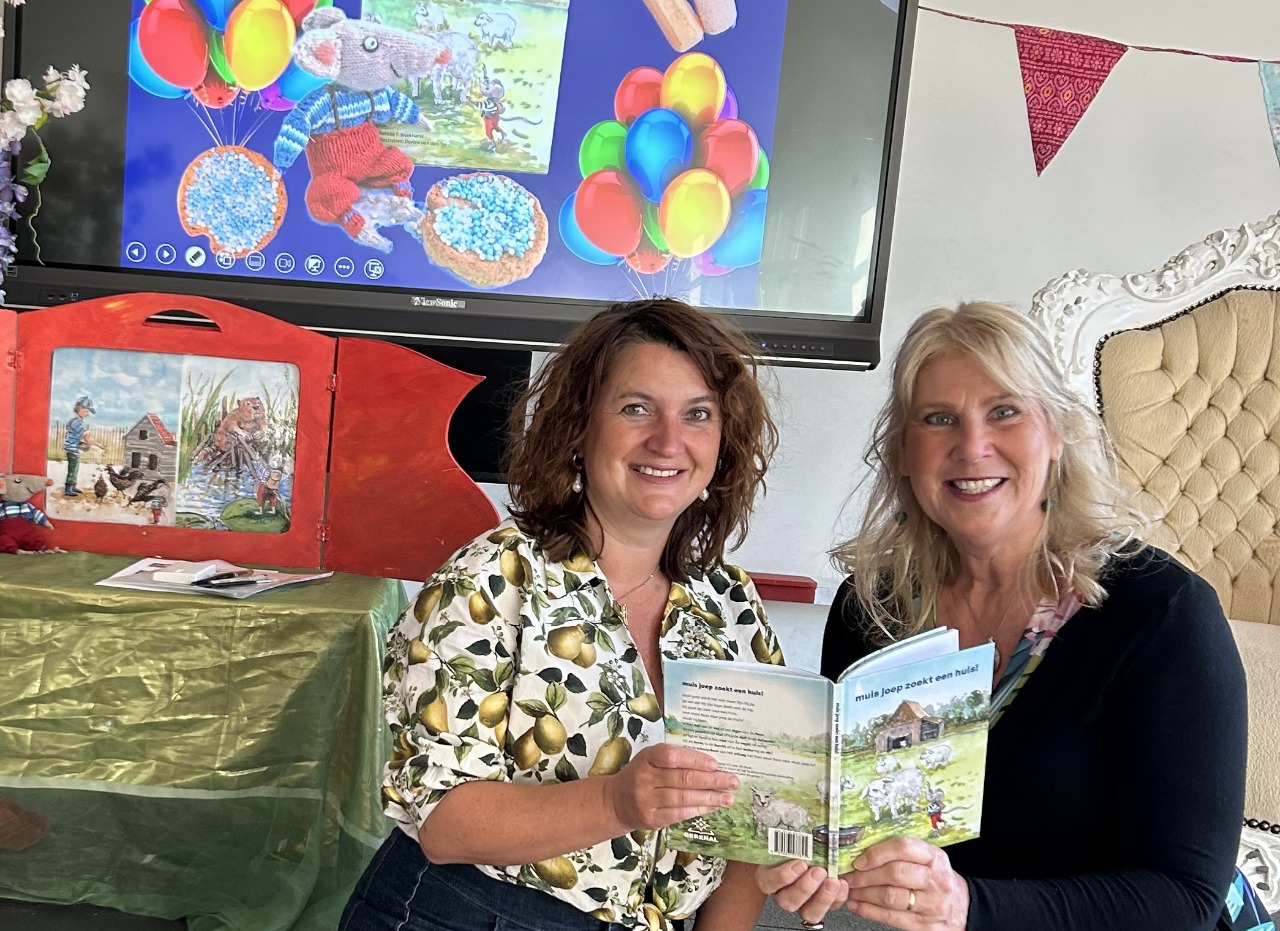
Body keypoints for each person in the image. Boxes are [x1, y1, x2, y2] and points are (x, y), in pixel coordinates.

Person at [757, 301, 1247, 931]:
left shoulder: (1161, 613)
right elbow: (861, 817)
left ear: (1058, 432)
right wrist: (816, 860)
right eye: (938, 419)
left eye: (1005, 412)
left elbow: (1185, 897)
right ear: (902, 451)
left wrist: (969, 907)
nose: (972, 447)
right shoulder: (870, 609)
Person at [342, 298, 783, 931]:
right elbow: (443, 823)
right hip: (470, 912)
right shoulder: (492, 579)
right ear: (577, 429)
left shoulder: (732, 606)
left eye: (698, 414)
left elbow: (748, 829)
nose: (668, 441)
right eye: (636, 408)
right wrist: (617, 801)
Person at [62, 395, 103, 497]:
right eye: (87, 411)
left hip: (74, 448)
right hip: (72, 448)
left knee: (75, 468)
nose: (88, 414)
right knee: (73, 469)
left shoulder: (76, 421)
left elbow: (77, 436)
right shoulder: (78, 422)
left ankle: (73, 486)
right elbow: (87, 438)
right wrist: (98, 445)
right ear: (80, 409)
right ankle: (68, 488)